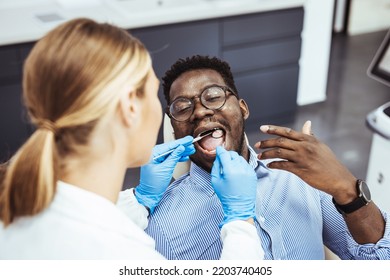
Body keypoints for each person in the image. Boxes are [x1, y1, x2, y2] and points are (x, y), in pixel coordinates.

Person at [0, 19, 263, 260]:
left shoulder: (16, 206)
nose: (199, 111)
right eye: (178, 106)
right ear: (130, 107)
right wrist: (241, 222)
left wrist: (141, 199)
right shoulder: (128, 255)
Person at [145, 55, 390, 260]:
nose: (199, 110)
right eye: (182, 107)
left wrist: (346, 188)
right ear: (175, 130)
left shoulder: (303, 179)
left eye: (213, 96)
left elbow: (379, 260)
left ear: (242, 108)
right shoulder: (162, 227)